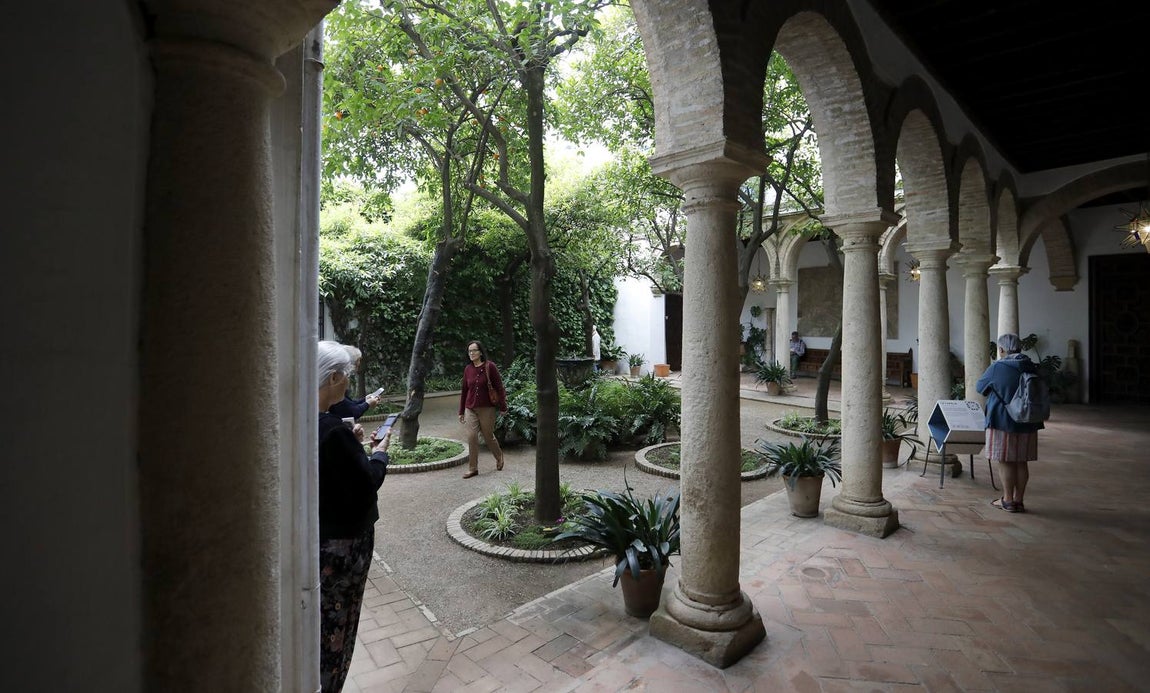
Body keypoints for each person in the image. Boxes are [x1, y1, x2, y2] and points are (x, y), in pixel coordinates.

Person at [317, 340, 392, 692]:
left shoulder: (310, 423)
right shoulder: (333, 432)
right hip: (345, 546)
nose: (348, 381)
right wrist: (379, 454)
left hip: (322, 539)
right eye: (345, 375)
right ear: (333, 377)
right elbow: (366, 484)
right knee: (339, 626)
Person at [976, 333, 1043, 513]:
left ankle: (1007, 500)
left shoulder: (998, 367)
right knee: (1021, 461)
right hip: (1029, 420)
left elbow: (979, 387)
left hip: (1002, 420)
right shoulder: (1031, 366)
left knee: (1005, 460)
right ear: (1020, 348)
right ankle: (1019, 500)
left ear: (1001, 349)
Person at [458, 340, 507, 478]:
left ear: (480, 352)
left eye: (474, 350)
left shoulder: (490, 367)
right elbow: (464, 391)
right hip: (470, 408)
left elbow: (499, 387)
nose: (471, 353)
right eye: (469, 351)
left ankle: (499, 456)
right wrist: (461, 411)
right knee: (472, 436)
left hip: (487, 408)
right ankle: (473, 468)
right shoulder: (468, 369)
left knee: (488, 436)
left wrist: (503, 406)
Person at [329, 345, 384, 420]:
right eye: (356, 364)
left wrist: (365, 400)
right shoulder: (336, 386)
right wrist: (368, 403)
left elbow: (348, 405)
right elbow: (352, 412)